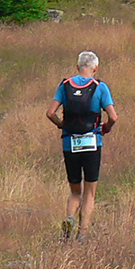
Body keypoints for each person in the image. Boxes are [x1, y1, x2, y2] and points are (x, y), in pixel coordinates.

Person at [46, 50, 118, 240]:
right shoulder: (100, 87)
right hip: (93, 142)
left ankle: (70, 218)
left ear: (78, 67)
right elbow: (113, 117)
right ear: (96, 68)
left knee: (75, 191)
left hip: (70, 143)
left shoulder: (65, 86)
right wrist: (105, 128)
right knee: (90, 193)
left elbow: (50, 113)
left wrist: (62, 125)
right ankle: (82, 234)